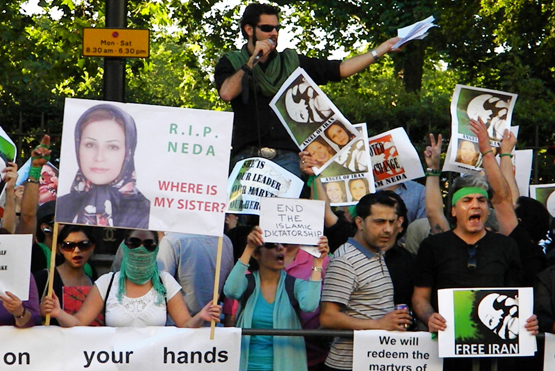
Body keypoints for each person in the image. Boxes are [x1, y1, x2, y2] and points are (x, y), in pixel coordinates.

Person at [215, 2, 404, 177]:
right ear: (249, 30)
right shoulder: (232, 62)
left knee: (282, 211)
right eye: (267, 28)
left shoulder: (291, 61)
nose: (274, 33)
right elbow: (226, 93)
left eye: (277, 28)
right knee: (245, 213)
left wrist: (381, 49)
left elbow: (341, 69)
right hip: (247, 155)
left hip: (288, 157)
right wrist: (251, 63)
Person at [411, 174, 538, 371]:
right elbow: (420, 298)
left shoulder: (506, 246)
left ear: (488, 209)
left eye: (481, 200)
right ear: (453, 210)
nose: (476, 205)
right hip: (449, 354)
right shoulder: (433, 246)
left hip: (498, 355)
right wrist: (430, 317)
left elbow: (518, 297)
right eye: (467, 200)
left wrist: (527, 320)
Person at [42, 229, 221, 327]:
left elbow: (185, 324)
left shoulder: (165, 282)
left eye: (149, 244)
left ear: (156, 249)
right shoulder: (107, 283)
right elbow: (79, 322)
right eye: (134, 243)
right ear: (125, 246)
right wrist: (58, 313)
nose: (141, 249)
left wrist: (201, 316)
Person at [320, 192, 413, 371]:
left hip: (375, 360)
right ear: (360, 223)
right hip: (348, 364)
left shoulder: (377, 252)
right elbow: (327, 317)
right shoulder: (345, 260)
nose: (388, 229)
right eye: (379, 222)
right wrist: (378, 325)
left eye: (391, 222)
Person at [223, 226, 328, 371]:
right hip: (246, 365)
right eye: (272, 244)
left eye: (284, 244)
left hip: (286, 365)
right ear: (257, 254)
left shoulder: (295, 285)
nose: (280, 248)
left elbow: (309, 306)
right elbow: (230, 291)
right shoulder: (248, 282)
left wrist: (318, 263)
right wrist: (249, 248)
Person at [56, 104, 150, 229]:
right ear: (78, 146)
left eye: (112, 147)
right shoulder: (60, 206)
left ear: (128, 152)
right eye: (90, 145)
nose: (99, 157)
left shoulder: (148, 212)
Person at [156, 233, 234, 318]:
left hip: (178, 324)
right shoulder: (224, 241)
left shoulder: (171, 241)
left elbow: (160, 289)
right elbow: (229, 288)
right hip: (213, 321)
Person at [35, 225, 98, 326]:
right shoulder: (44, 278)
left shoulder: (96, 284)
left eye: (84, 245)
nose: (76, 250)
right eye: (69, 245)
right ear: (60, 248)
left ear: (92, 247)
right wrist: (39, 311)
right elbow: (25, 314)